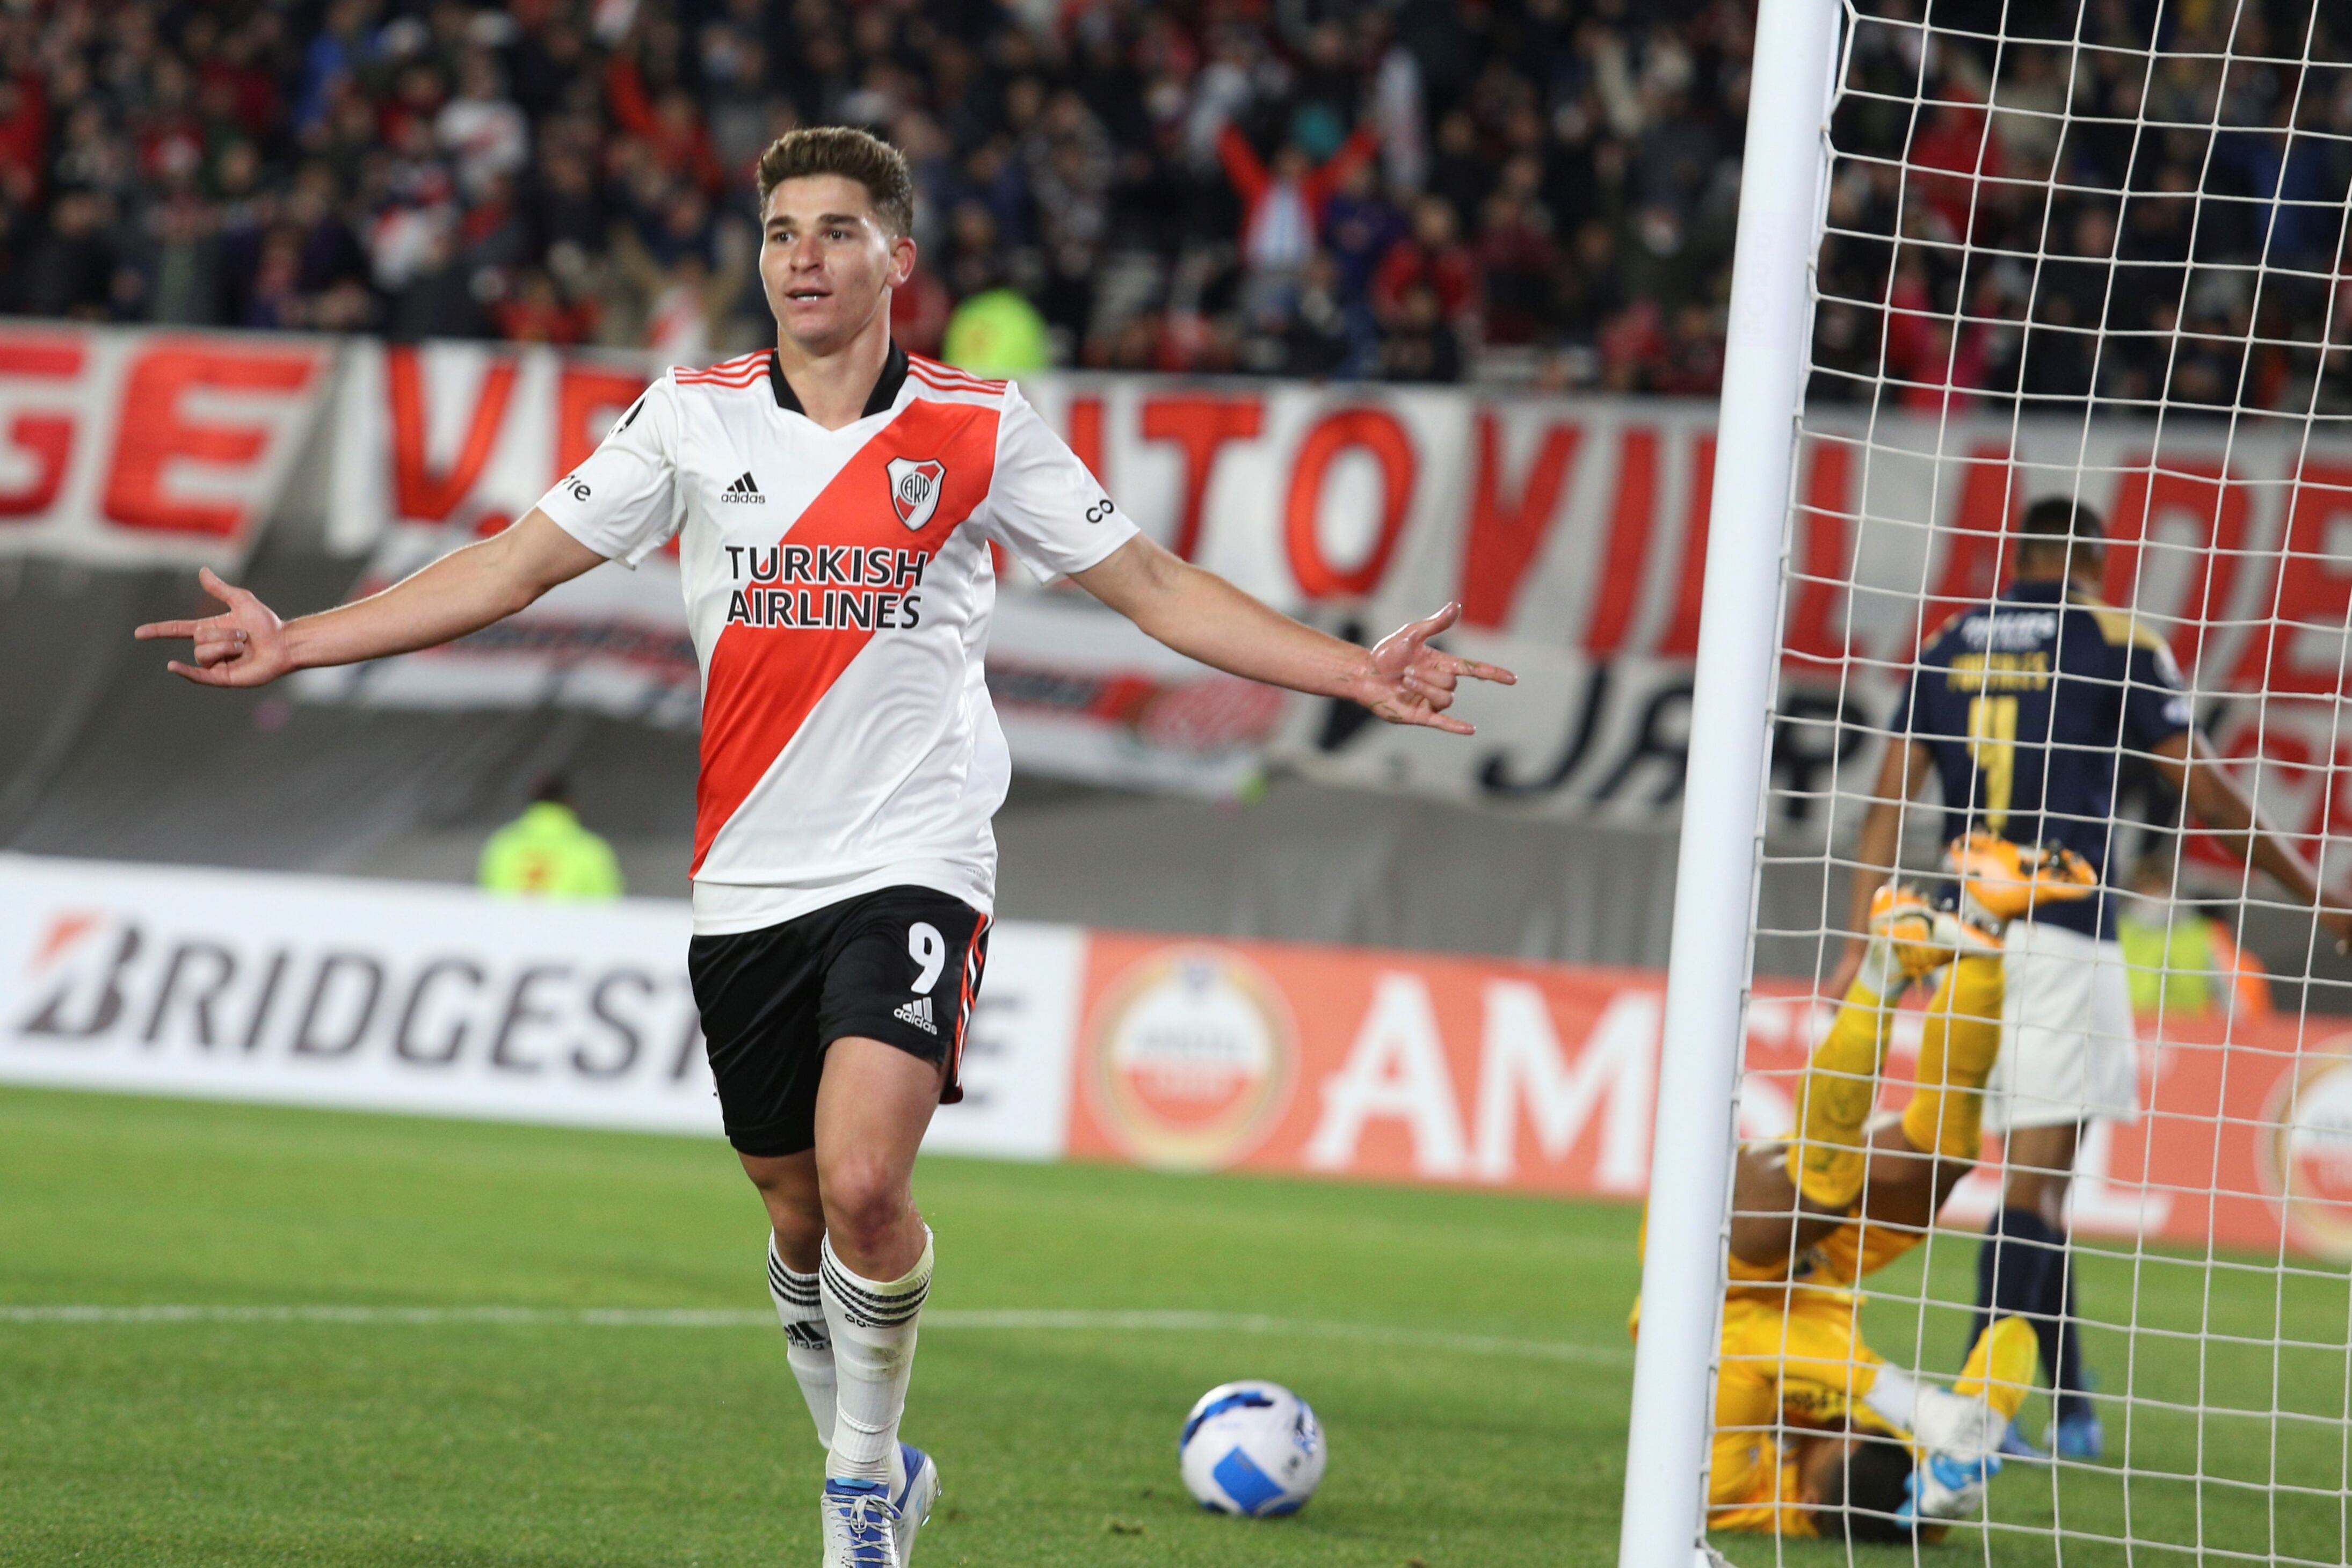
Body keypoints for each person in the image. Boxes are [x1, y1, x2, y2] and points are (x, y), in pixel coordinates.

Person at [133, 125, 1514, 1568]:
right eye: (783, 229)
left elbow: (1153, 586)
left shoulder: (979, 426)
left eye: (838, 229)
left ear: (896, 258)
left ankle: (856, 1490)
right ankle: (879, 1457)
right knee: (795, 1216)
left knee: (865, 1181)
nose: (804, 255)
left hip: (916, 859)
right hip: (746, 878)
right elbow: (511, 564)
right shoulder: (690, 417)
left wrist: (1351, 671)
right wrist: (303, 641)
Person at [1839, 495, 2350, 1460]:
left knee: (2046, 1179)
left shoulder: (1951, 638)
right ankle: (1975, 1414)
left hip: (1962, 938)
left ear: (2018, 552)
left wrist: (1860, 946)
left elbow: (1884, 801)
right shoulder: (2115, 638)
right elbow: (2199, 788)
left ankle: (2069, 1405)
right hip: (2062, 932)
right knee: (2031, 1184)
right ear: (2096, 562)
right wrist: (2316, 894)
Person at [1654, 883, 2039, 1538]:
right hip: (1825, 1271)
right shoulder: (1900, 1500)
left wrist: (1907, 1400)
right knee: (1940, 1162)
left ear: (1807, 1486)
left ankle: (1883, 968)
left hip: (1716, 1275)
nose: (1854, 1424)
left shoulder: (1717, 1490)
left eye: (1848, 1432)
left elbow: (1744, 1341)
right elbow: (2015, 1334)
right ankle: (1982, 935)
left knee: (1822, 1190)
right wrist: (1981, 1420)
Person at [2115, 852, 2271, 1022]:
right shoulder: (2117, 932)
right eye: (2146, 889)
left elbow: (2228, 996)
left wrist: (2236, 1030)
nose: (2154, 898)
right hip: (2133, 1028)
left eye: (2158, 888)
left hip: (2186, 1034)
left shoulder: (2201, 935)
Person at [477, 774, 625, 899]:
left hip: (509, 932)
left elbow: (483, 901)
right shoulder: (591, 850)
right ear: (571, 803)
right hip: (570, 933)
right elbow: (609, 908)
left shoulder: (502, 845)